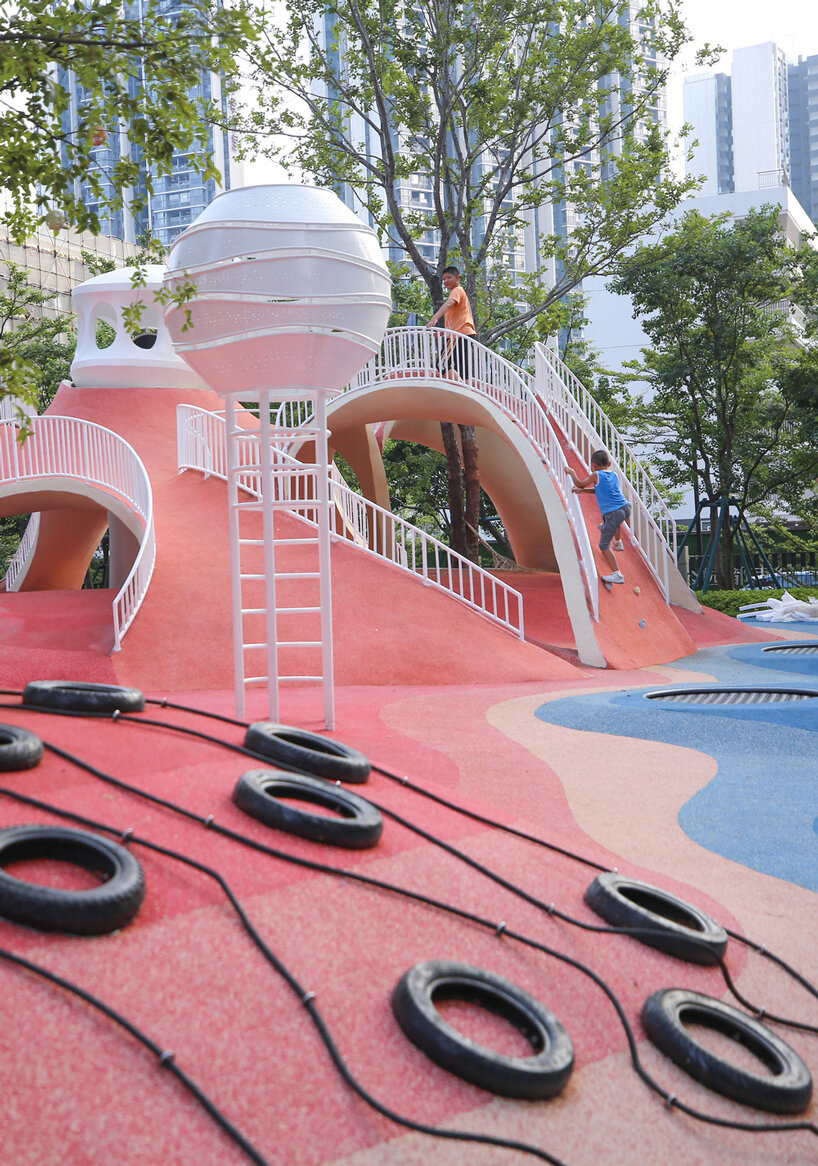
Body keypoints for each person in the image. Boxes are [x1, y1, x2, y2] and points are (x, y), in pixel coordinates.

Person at [566, 449, 630, 584]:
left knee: (603, 545)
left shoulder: (596, 474)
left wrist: (572, 472)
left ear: (594, 465)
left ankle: (617, 574)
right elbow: (600, 491)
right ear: (609, 463)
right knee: (614, 521)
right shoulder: (614, 475)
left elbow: (579, 483)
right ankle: (618, 543)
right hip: (625, 507)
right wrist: (583, 492)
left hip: (613, 513)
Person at [426, 266, 476, 378]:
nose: (445, 281)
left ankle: (460, 387)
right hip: (466, 333)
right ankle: (465, 389)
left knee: (441, 363)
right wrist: (443, 333)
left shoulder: (457, 290)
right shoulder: (461, 292)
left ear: (458, 278)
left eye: (449, 277)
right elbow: (457, 319)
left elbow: (449, 303)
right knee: (462, 367)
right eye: (444, 279)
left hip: (459, 335)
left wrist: (435, 317)